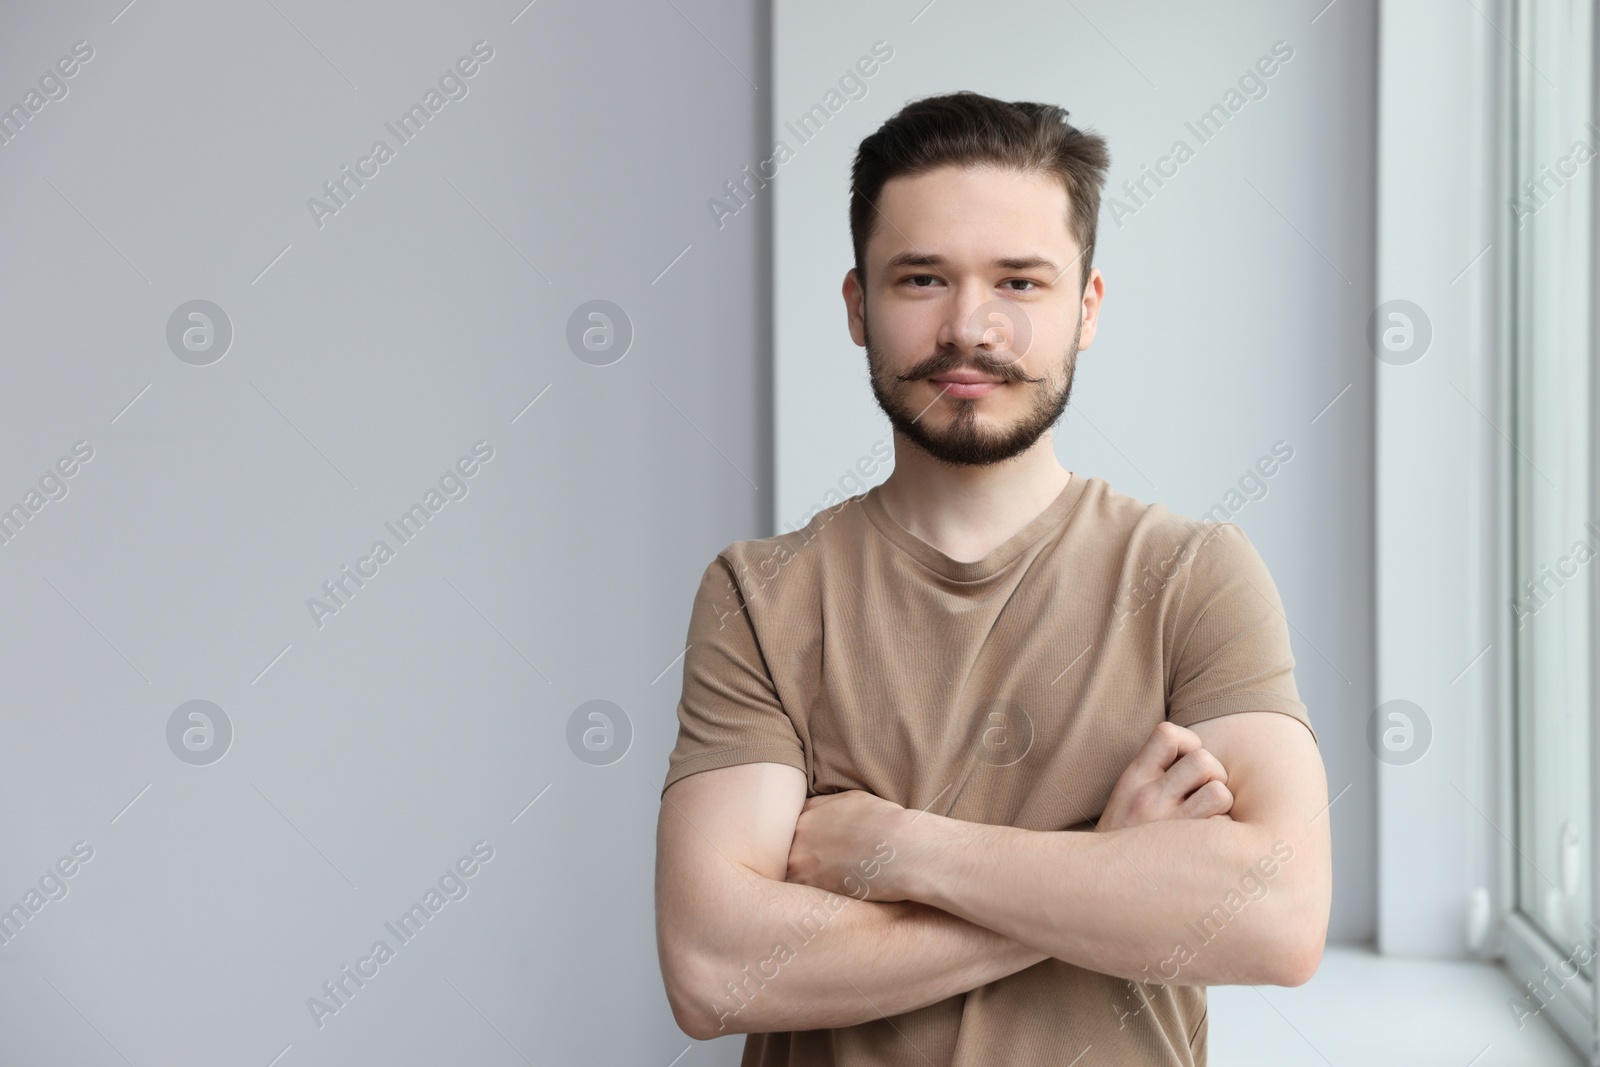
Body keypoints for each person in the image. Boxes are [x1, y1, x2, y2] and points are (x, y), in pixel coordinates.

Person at [654, 90, 1331, 1067]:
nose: (970, 327)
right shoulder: (759, 596)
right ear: (857, 306)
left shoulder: (1194, 575)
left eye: (1020, 283)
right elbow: (714, 968)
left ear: (1086, 308)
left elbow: (1277, 917)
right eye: (922, 278)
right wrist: (1110, 865)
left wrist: (898, 850)